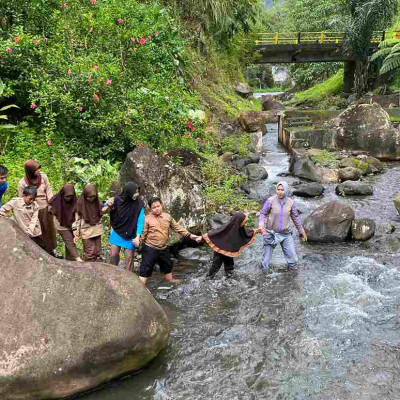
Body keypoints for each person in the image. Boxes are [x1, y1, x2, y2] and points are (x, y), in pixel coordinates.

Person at [139, 197, 202, 286]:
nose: (157, 209)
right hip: (150, 247)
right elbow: (143, 233)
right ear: (150, 209)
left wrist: (190, 235)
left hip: (163, 247)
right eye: (154, 207)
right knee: (145, 268)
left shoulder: (167, 216)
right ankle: (141, 286)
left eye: (158, 206)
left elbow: (177, 228)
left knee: (167, 265)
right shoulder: (147, 219)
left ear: (162, 205)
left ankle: (169, 280)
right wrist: (138, 242)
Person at [258, 181, 307, 272]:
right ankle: (263, 278)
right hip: (271, 233)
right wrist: (261, 225)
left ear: (286, 191)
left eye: (282, 190)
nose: (280, 192)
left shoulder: (290, 202)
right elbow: (263, 213)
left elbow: (295, 217)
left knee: (293, 260)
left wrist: (301, 230)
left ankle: (291, 277)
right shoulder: (270, 200)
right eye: (278, 189)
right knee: (265, 262)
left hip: (286, 234)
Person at [203, 212, 258, 279]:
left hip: (229, 250)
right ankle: (208, 278)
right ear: (239, 220)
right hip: (220, 249)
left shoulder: (239, 227)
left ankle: (229, 276)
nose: (244, 223)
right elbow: (215, 233)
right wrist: (202, 237)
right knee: (216, 264)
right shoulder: (227, 226)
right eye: (244, 222)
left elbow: (246, 233)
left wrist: (256, 230)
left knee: (229, 263)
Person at [18, 159, 57, 255]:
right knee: (37, 231)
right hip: (33, 210)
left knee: (49, 229)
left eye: (39, 169)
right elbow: (21, 199)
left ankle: (52, 249)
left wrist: (51, 204)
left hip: (45, 208)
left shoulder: (43, 177)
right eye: (36, 170)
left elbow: (48, 190)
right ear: (30, 171)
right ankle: (41, 251)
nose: (38, 171)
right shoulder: (23, 183)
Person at [104, 181, 145, 271]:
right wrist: (107, 204)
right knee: (113, 255)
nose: (137, 194)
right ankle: (113, 273)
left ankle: (129, 280)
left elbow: (140, 221)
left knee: (129, 258)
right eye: (135, 192)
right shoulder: (117, 199)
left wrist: (138, 236)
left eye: (138, 192)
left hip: (131, 233)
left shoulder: (139, 204)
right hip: (117, 231)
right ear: (129, 192)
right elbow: (105, 205)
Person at [49, 184, 82, 262]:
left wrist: (75, 230)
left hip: (72, 223)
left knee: (71, 242)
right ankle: (78, 259)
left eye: (71, 196)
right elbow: (51, 209)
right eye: (67, 196)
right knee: (69, 241)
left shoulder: (75, 200)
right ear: (63, 194)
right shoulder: (56, 200)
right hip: (60, 223)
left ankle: (69, 260)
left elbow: (77, 215)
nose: (69, 198)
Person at [74, 184, 104, 262]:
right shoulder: (80, 204)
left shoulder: (97, 202)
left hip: (97, 230)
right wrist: (76, 233)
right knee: (89, 252)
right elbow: (77, 220)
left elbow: (101, 212)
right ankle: (87, 269)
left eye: (93, 197)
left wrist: (108, 206)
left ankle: (94, 267)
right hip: (86, 231)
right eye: (89, 197)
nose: (91, 199)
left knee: (97, 251)